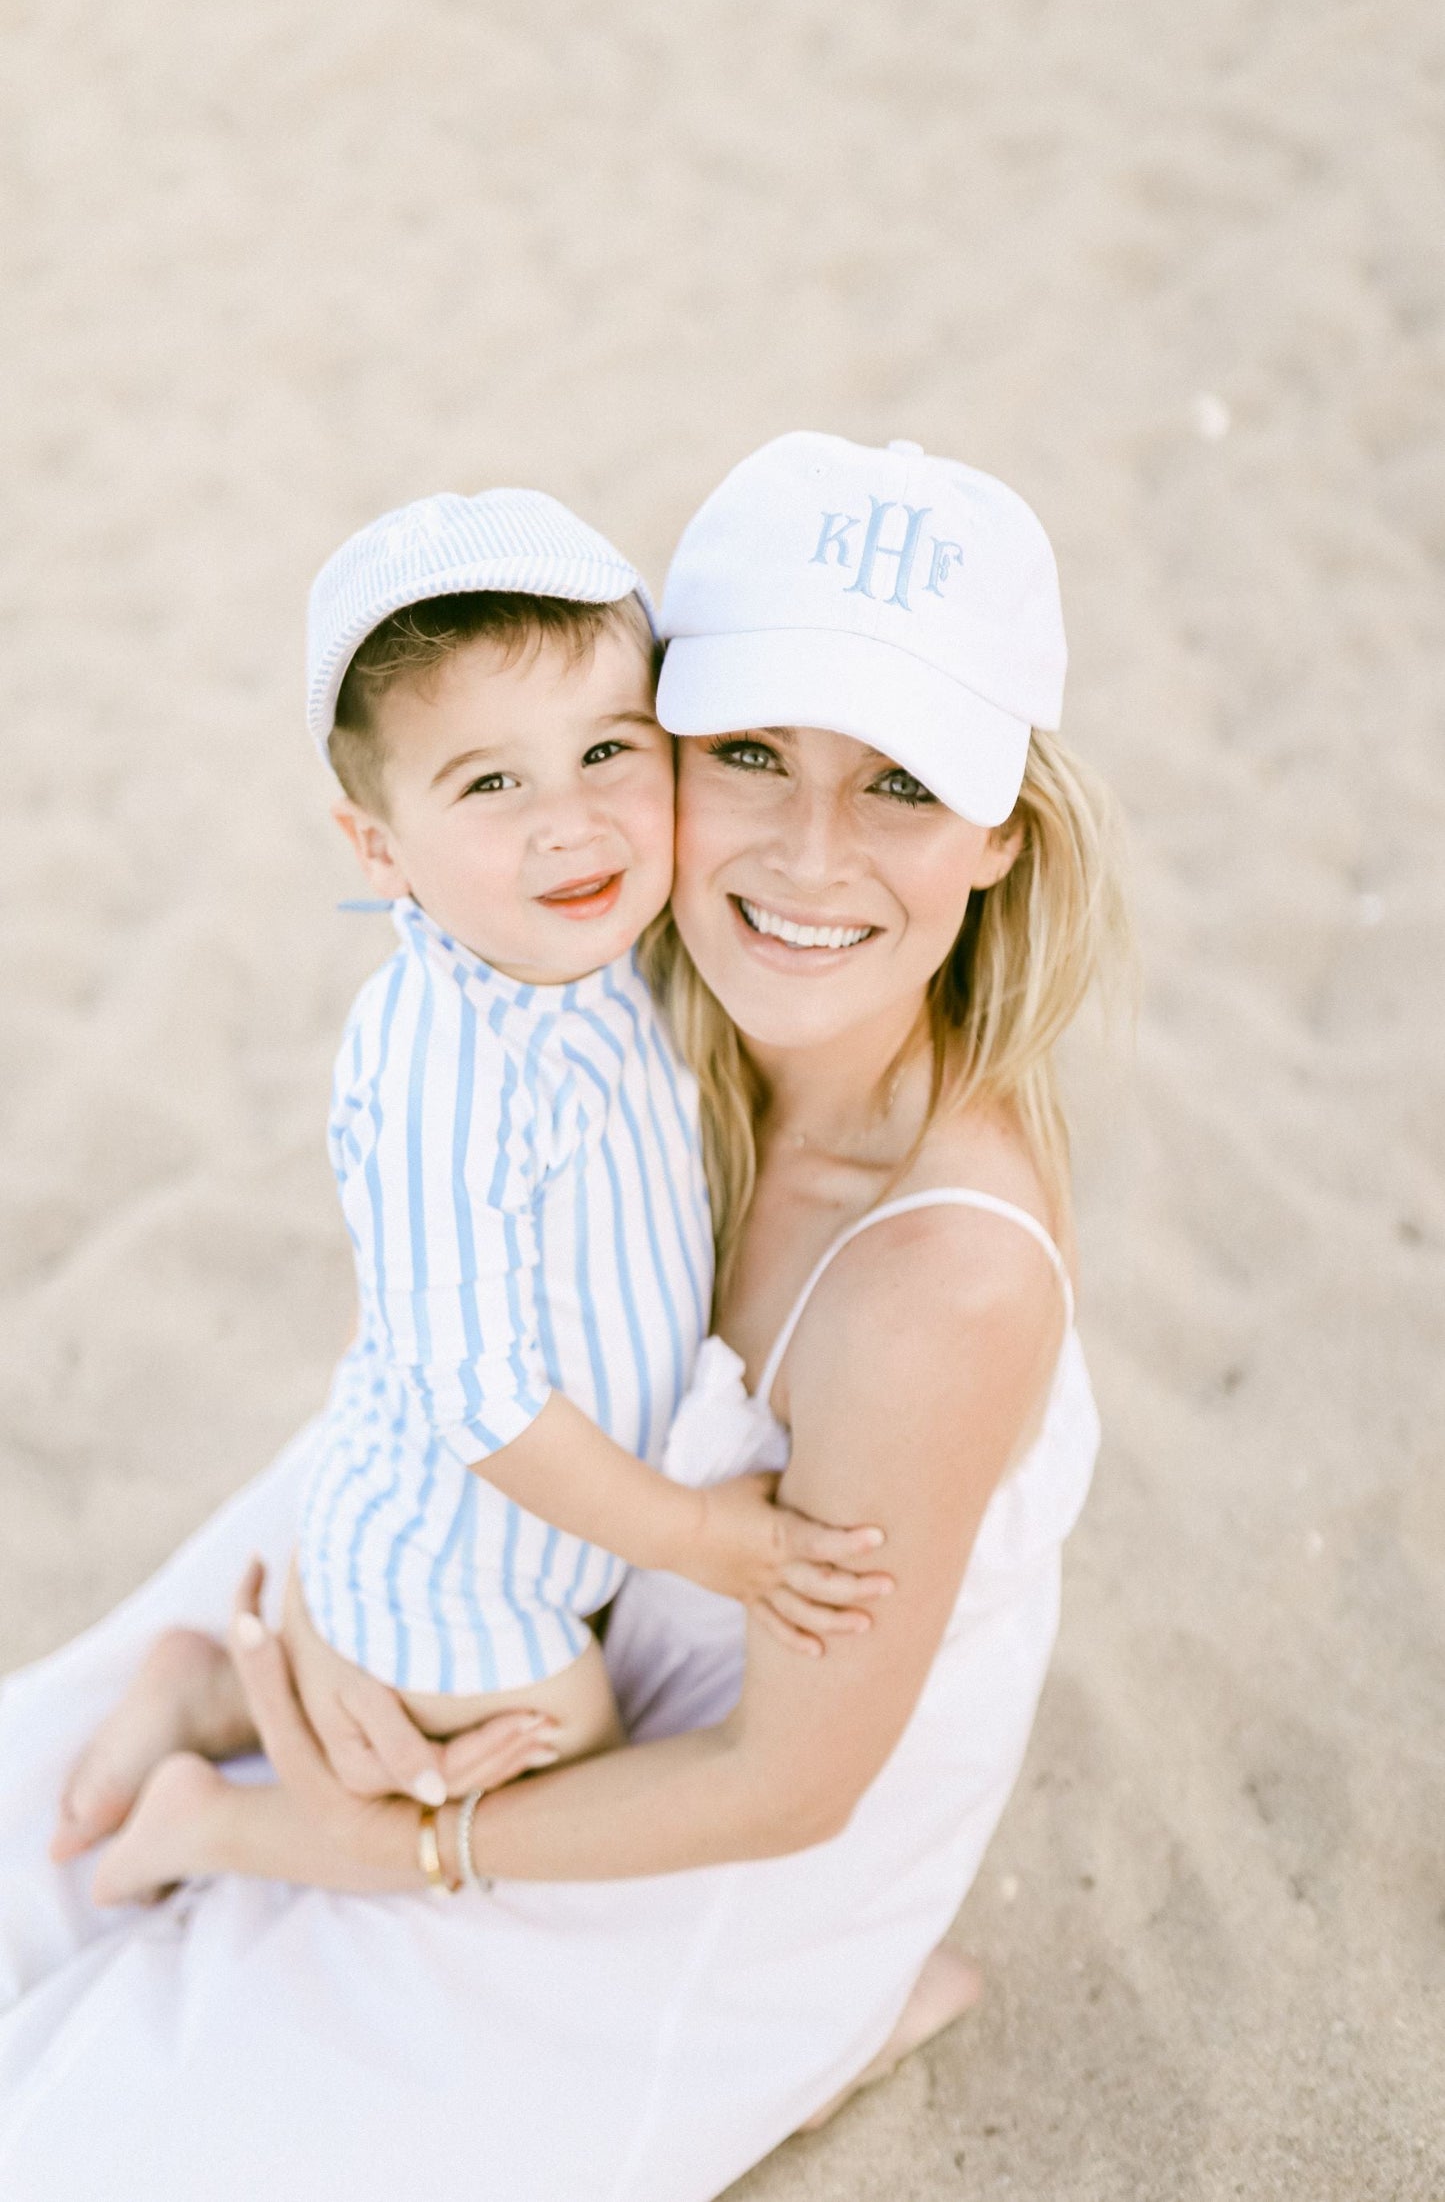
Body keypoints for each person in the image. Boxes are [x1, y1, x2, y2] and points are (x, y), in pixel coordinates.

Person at [0, 432, 1125, 2202]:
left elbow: (783, 1791)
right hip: (553, 1583)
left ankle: (813, 2019)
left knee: (86, 2149)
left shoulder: (940, 1284)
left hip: (714, 1820)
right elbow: (469, 1333)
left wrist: (407, 1843)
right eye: (748, 753)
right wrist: (335, 1616)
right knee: (28, 1833)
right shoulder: (640, 1005)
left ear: (998, 830)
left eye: (900, 783)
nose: (813, 855)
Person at [51, 487, 889, 1885]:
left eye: (606, 752)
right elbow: (480, 1398)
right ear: (378, 851)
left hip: (554, 1530)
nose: (567, 825)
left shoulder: (583, 946)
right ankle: (214, 1817)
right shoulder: (446, 1060)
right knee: (556, 1781)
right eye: (490, 783)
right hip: (456, 1572)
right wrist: (695, 1541)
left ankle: (207, 1683)